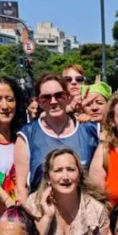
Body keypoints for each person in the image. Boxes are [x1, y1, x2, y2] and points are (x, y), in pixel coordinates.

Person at [14, 74, 98, 202]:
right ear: (39, 102)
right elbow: (21, 187)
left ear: (67, 96)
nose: (53, 101)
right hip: (42, 214)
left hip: (84, 214)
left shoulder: (90, 130)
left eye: (59, 95)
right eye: (46, 97)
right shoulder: (27, 135)